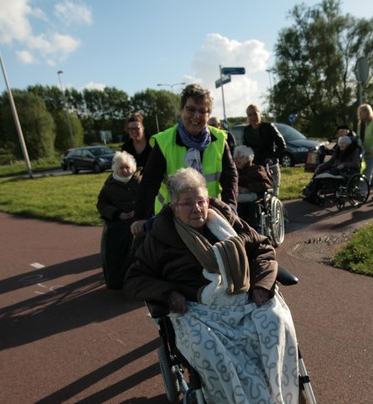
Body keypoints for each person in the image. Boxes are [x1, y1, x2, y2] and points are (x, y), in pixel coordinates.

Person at [124, 168, 314, 404]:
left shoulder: (225, 218)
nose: (197, 209)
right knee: (216, 352)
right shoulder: (161, 235)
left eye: (201, 201)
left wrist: (262, 286)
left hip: (244, 297)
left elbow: (263, 249)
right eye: (187, 203)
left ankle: (285, 393)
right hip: (197, 308)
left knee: (275, 321)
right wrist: (168, 294)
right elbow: (134, 278)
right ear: (173, 206)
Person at [131, 83, 237, 237]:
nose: (196, 116)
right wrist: (140, 217)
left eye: (202, 111)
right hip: (172, 218)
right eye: (191, 109)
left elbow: (230, 177)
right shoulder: (164, 142)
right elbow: (149, 182)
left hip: (209, 216)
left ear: (209, 114)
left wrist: (230, 208)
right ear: (181, 110)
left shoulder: (219, 139)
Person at [96, 151, 142, 289]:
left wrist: (139, 211)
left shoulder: (140, 181)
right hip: (118, 221)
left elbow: (150, 198)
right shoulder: (109, 186)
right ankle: (117, 277)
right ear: (115, 169)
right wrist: (117, 214)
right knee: (115, 244)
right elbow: (102, 204)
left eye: (127, 167)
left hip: (139, 218)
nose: (125, 170)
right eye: (121, 168)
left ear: (133, 167)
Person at [301, 135, 362, 204]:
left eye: (343, 143)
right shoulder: (338, 150)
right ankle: (311, 194)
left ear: (348, 144)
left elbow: (356, 164)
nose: (341, 145)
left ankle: (312, 195)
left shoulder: (354, 150)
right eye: (340, 143)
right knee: (318, 174)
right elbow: (330, 162)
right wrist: (320, 167)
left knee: (320, 177)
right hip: (335, 169)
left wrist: (344, 164)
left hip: (346, 171)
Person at [233, 145, 273, 225]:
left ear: (248, 158)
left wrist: (249, 188)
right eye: (235, 158)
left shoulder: (258, 169)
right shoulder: (234, 171)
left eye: (240, 158)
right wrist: (239, 188)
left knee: (253, 206)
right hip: (240, 197)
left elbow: (267, 184)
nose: (237, 161)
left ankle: (253, 227)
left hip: (256, 198)